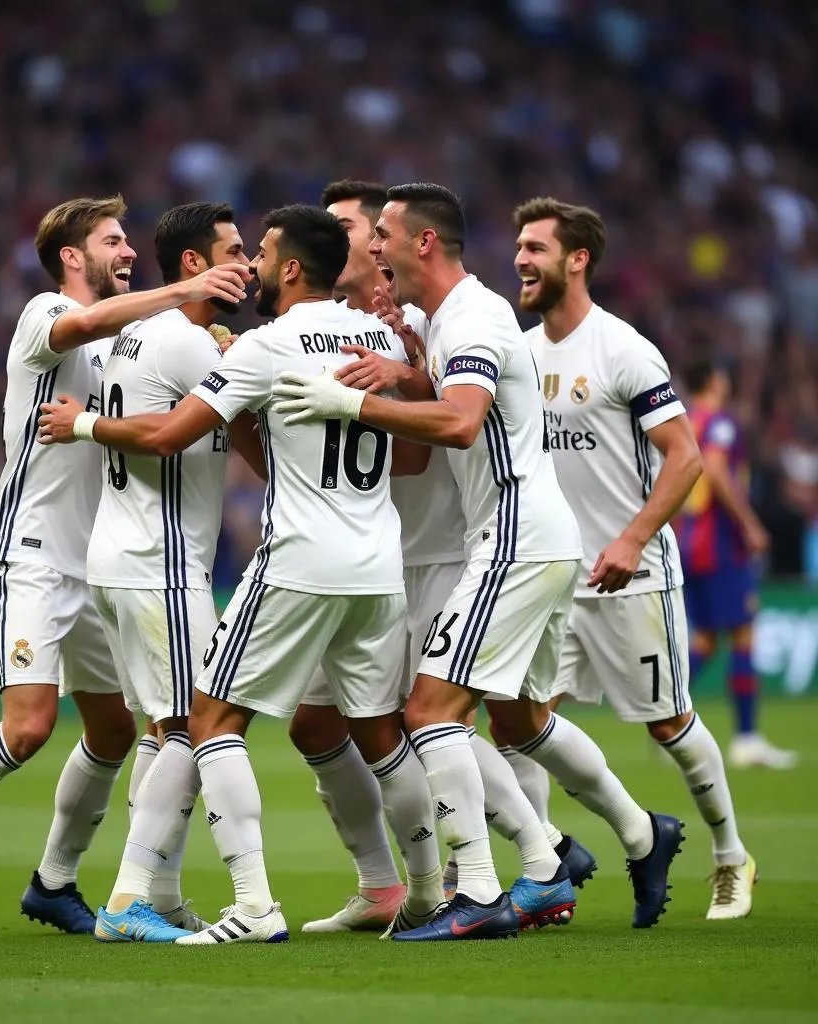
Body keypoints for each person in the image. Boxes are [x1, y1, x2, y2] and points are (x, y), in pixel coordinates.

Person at [274, 183, 682, 940]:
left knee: (429, 712)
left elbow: (459, 424)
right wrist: (404, 375)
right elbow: (459, 403)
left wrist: (353, 403)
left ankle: (487, 888)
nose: (372, 247)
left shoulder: (471, 317)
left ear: (418, 242)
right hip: (518, 539)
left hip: (506, 542)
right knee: (519, 720)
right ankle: (625, 838)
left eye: (381, 233)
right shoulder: (453, 320)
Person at [38, 204, 445, 946]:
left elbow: (167, 433)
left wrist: (85, 424)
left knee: (211, 721)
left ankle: (251, 905)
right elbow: (412, 458)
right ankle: (422, 893)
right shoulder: (381, 340)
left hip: (297, 560)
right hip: (377, 565)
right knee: (380, 735)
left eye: (259, 252)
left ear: (291, 268)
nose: (251, 263)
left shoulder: (265, 343)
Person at [0, 194, 250, 942]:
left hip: (97, 563)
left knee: (115, 731)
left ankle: (54, 880)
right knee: (28, 728)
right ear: (74, 257)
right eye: (112, 241)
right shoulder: (44, 313)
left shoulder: (130, 338)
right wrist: (185, 291)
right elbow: (80, 325)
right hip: (31, 554)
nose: (127, 252)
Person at [512, 196, 757, 920]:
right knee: (524, 724)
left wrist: (631, 539)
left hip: (633, 576)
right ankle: (550, 870)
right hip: (553, 576)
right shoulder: (521, 353)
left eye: (536, 248)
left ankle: (729, 855)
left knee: (669, 725)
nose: (520, 260)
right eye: (520, 247)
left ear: (577, 259)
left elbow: (685, 461)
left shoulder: (623, 349)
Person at [85, 202, 265, 942]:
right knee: (197, 724)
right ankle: (128, 901)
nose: (249, 263)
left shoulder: (136, 333)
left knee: (164, 732)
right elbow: (256, 436)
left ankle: (157, 893)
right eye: (234, 250)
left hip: (121, 555)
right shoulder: (192, 345)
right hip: (159, 565)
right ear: (196, 265)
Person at [678, 360, 797, 769]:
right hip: (721, 544)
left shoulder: (684, 420)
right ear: (716, 380)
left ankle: (665, 720)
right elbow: (715, 469)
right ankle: (746, 738)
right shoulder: (719, 423)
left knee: (706, 641)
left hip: (689, 541)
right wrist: (749, 524)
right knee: (743, 634)